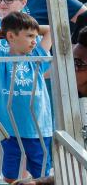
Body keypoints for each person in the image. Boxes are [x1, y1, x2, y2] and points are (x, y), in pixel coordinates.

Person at [0, 12, 53, 183]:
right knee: (10, 175)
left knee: (41, 176)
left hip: (37, 128)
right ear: (10, 36)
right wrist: (1, 32)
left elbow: (51, 30)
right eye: (29, 36)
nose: (34, 40)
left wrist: (26, 29)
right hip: (9, 131)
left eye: (36, 36)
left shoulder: (38, 55)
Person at [16, 26, 87, 185]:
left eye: (78, 63)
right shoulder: (69, 104)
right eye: (69, 61)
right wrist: (39, 183)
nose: (69, 68)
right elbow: (75, 173)